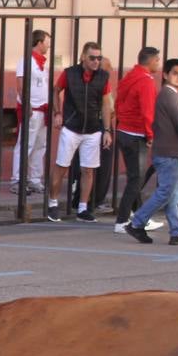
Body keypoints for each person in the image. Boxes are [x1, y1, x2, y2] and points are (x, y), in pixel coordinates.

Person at [123, 59, 178, 246]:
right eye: (175, 73)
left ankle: (176, 232)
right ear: (165, 75)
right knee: (166, 192)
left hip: (169, 151)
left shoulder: (172, 95)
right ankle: (137, 222)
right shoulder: (170, 96)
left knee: (173, 195)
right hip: (169, 152)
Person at [47, 42, 112, 223]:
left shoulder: (103, 77)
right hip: (71, 126)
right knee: (62, 166)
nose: (96, 61)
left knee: (88, 170)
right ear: (83, 57)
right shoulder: (70, 73)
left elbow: (106, 103)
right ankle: (52, 203)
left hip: (93, 129)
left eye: (99, 58)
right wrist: (57, 112)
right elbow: (56, 90)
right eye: (92, 58)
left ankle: (83, 207)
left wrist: (106, 130)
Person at [113, 47, 162, 232]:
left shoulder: (129, 76)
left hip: (124, 131)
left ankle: (140, 216)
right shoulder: (146, 81)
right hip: (136, 134)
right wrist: (150, 134)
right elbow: (147, 111)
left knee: (134, 176)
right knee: (136, 179)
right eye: (157, 60)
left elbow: (118, 102)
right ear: (150, 61)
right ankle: (122, 220)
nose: (158, 63)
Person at [11, 29, 50, 195]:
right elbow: (21, 84)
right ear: (39, 42)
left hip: (43, 109)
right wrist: (26, 104)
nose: (48, 45)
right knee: (26, 144)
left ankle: (34, 178)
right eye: (47, 41)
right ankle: (17, 179)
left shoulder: (42, 63)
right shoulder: (26, 60)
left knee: (40, 145)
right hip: (32, 109)